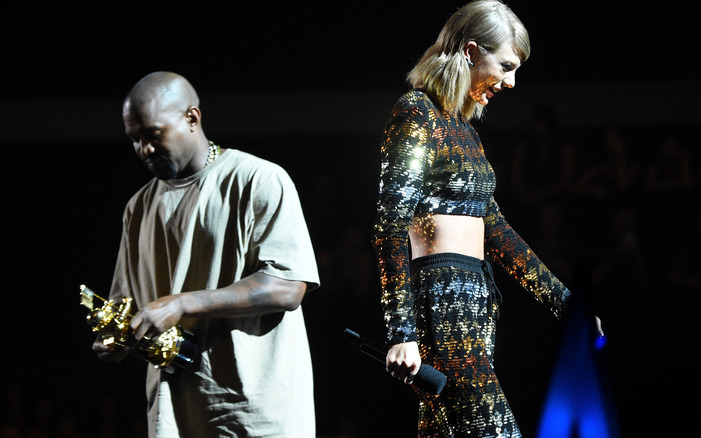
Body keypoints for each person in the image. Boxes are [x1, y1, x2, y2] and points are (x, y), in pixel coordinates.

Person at [372, 1, 584, 436]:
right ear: (470, 52)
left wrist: (565, 302)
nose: (511, 82)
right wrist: (401, 329)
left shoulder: (464, 130)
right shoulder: (417, 112)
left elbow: (496, 229)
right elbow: (391, 222)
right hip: (442, 303)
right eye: (505, 65)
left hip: (475, 301)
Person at [92, 71, 320, 437]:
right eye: (135, 139)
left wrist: (182, 304)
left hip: (256, 414)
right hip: (174, 415)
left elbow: (288, 289)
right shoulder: (137, 208)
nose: (144, 150)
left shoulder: (258, 179)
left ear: (192, 118)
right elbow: (129, 304)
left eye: (153, 135)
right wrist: (118, 338)